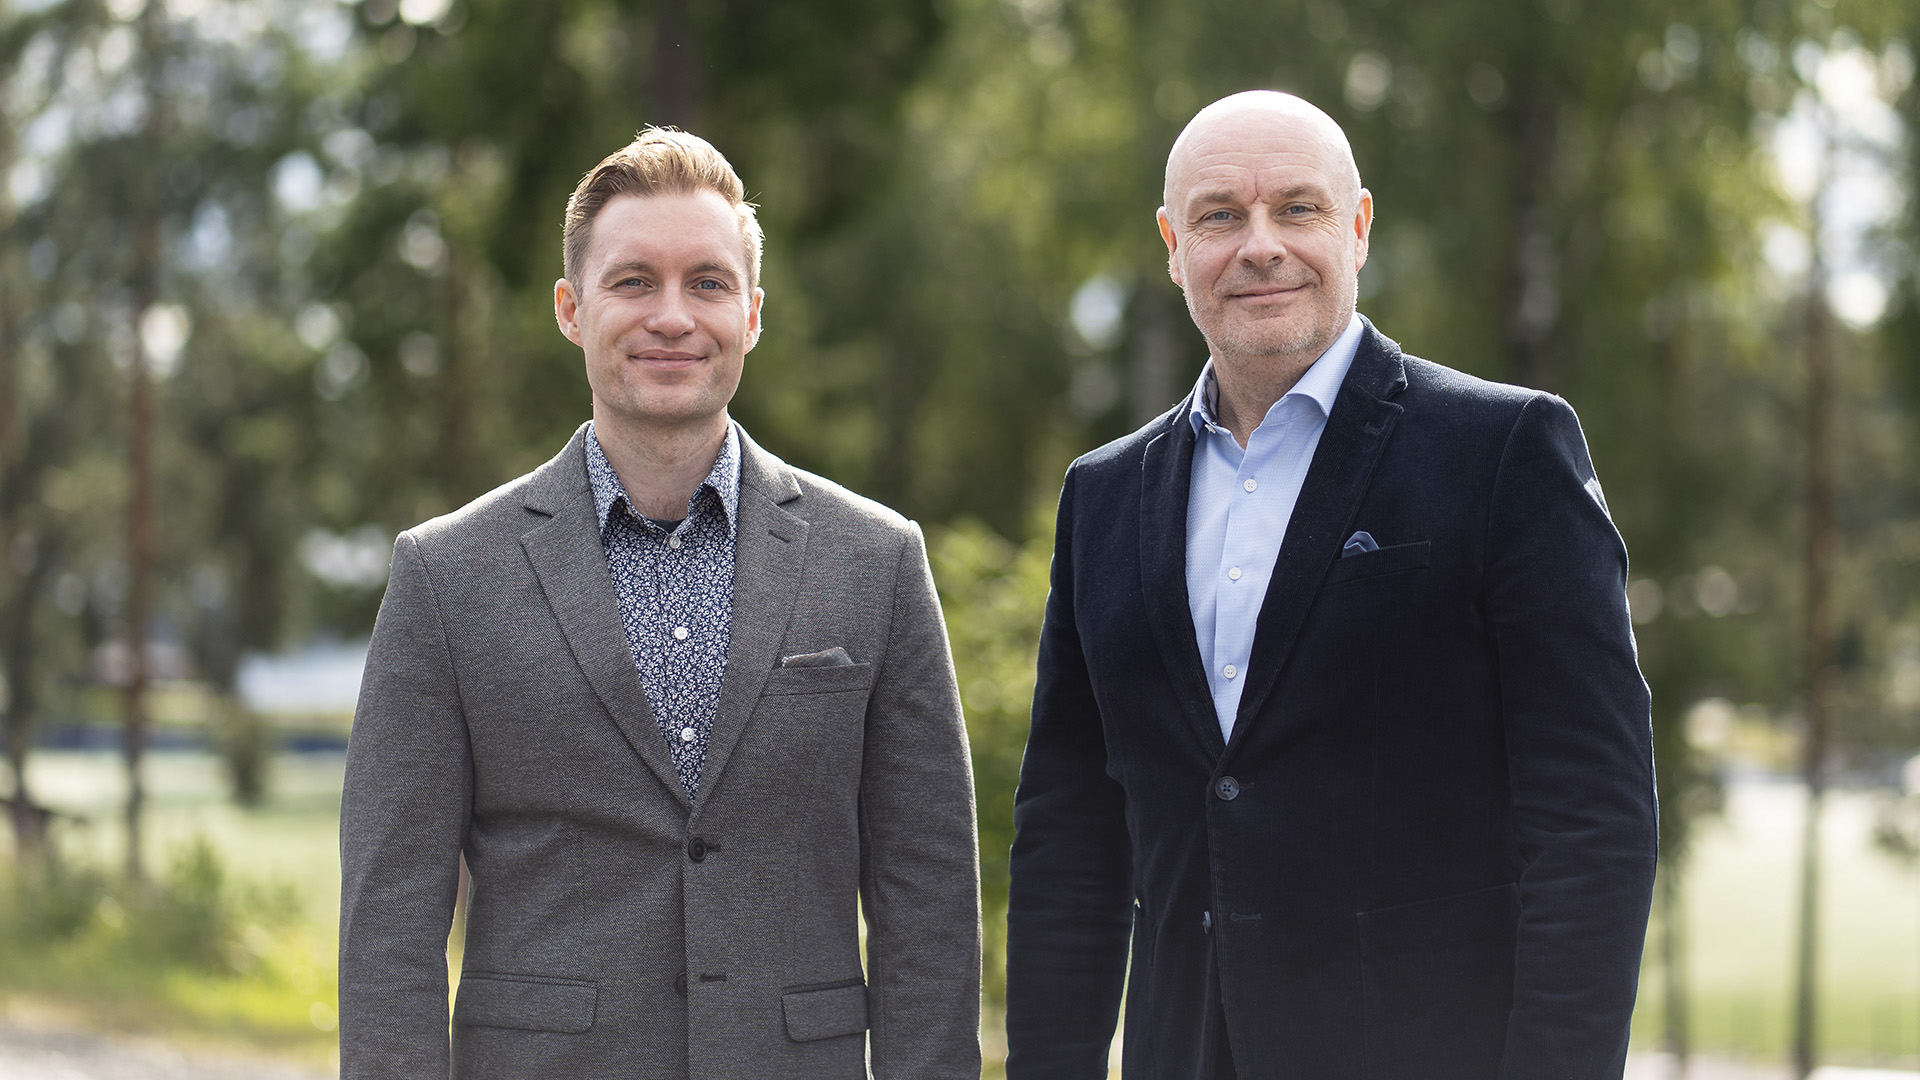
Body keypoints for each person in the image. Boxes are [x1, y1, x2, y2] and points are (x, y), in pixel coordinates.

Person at [1004, 91, 1656, 1079]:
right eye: (1221, 215)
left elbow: (1592, 827)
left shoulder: (1504, 450)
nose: (1260, 245)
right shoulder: (1102, 496)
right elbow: (1069, 835)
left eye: (1297, 208)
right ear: (1173, 246)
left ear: (1358, 227)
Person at [339, 128, 981, 1079]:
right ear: (572, 309)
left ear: (752, 314)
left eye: (707, 283)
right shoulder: (446, 575)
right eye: (634, 281)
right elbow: (390, 914)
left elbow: (927, 895)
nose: (672, 317)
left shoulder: (876, 561)